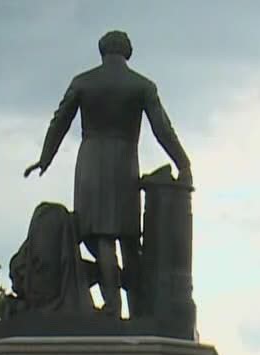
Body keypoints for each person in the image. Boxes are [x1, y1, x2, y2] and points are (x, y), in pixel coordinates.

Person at [25, 30, 192, 318]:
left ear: (102, 51)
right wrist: (182, 162)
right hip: (124, 162)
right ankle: (139, 307)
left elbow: (59, 122)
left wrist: (45, 158)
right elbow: (162, 128)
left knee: (101, 237)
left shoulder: (83, 82)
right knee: (128, 239)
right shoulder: (142, 85)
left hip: (91, 162)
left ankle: (112, 306)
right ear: (127, 51)